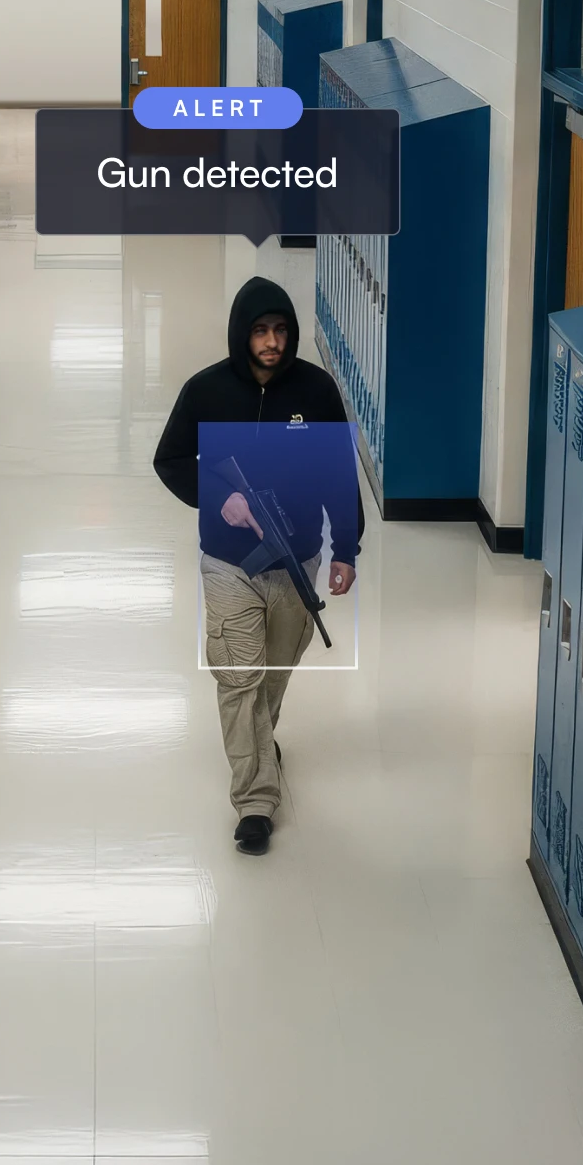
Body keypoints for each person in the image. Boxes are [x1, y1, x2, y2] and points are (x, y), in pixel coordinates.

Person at [152, 276, 362, 856]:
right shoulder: (207, 392)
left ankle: (259, 742)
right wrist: (218, 496)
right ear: (241, 335)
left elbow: (339, 474)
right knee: (239, 677)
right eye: (260, 331)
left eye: (281, 330)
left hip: (298, 559)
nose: (271, 341)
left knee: (272, 674)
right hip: (228, 562)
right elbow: (168, 459)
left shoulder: (317, 392)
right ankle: (255, 802)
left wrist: (347, 547)